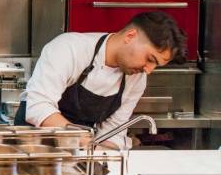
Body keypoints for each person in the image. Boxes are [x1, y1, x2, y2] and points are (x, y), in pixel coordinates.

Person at [16, 11, 186, 149]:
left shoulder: (136, 79)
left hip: (81, 154)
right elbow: (38, 107)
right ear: (130, 36)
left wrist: (104, 160)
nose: (149, 70)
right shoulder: (69, 48)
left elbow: (113, 131)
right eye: (150, 59)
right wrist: (82, 140)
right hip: (31, 146)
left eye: (156, 65)